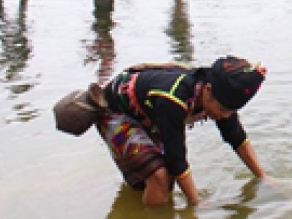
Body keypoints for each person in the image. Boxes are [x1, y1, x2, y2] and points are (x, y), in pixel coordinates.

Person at [96, 56, 268, 206]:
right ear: (207, 91)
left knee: (164, 181)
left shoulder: (221, 94)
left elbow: (236, 136)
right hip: (114, 113)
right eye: (223, 110)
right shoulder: (174, 99)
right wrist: (197, 204)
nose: (225, 116)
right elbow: (176, 159)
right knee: (159, 176)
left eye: (231, 111)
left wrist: (264, 178)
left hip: (150, 115)